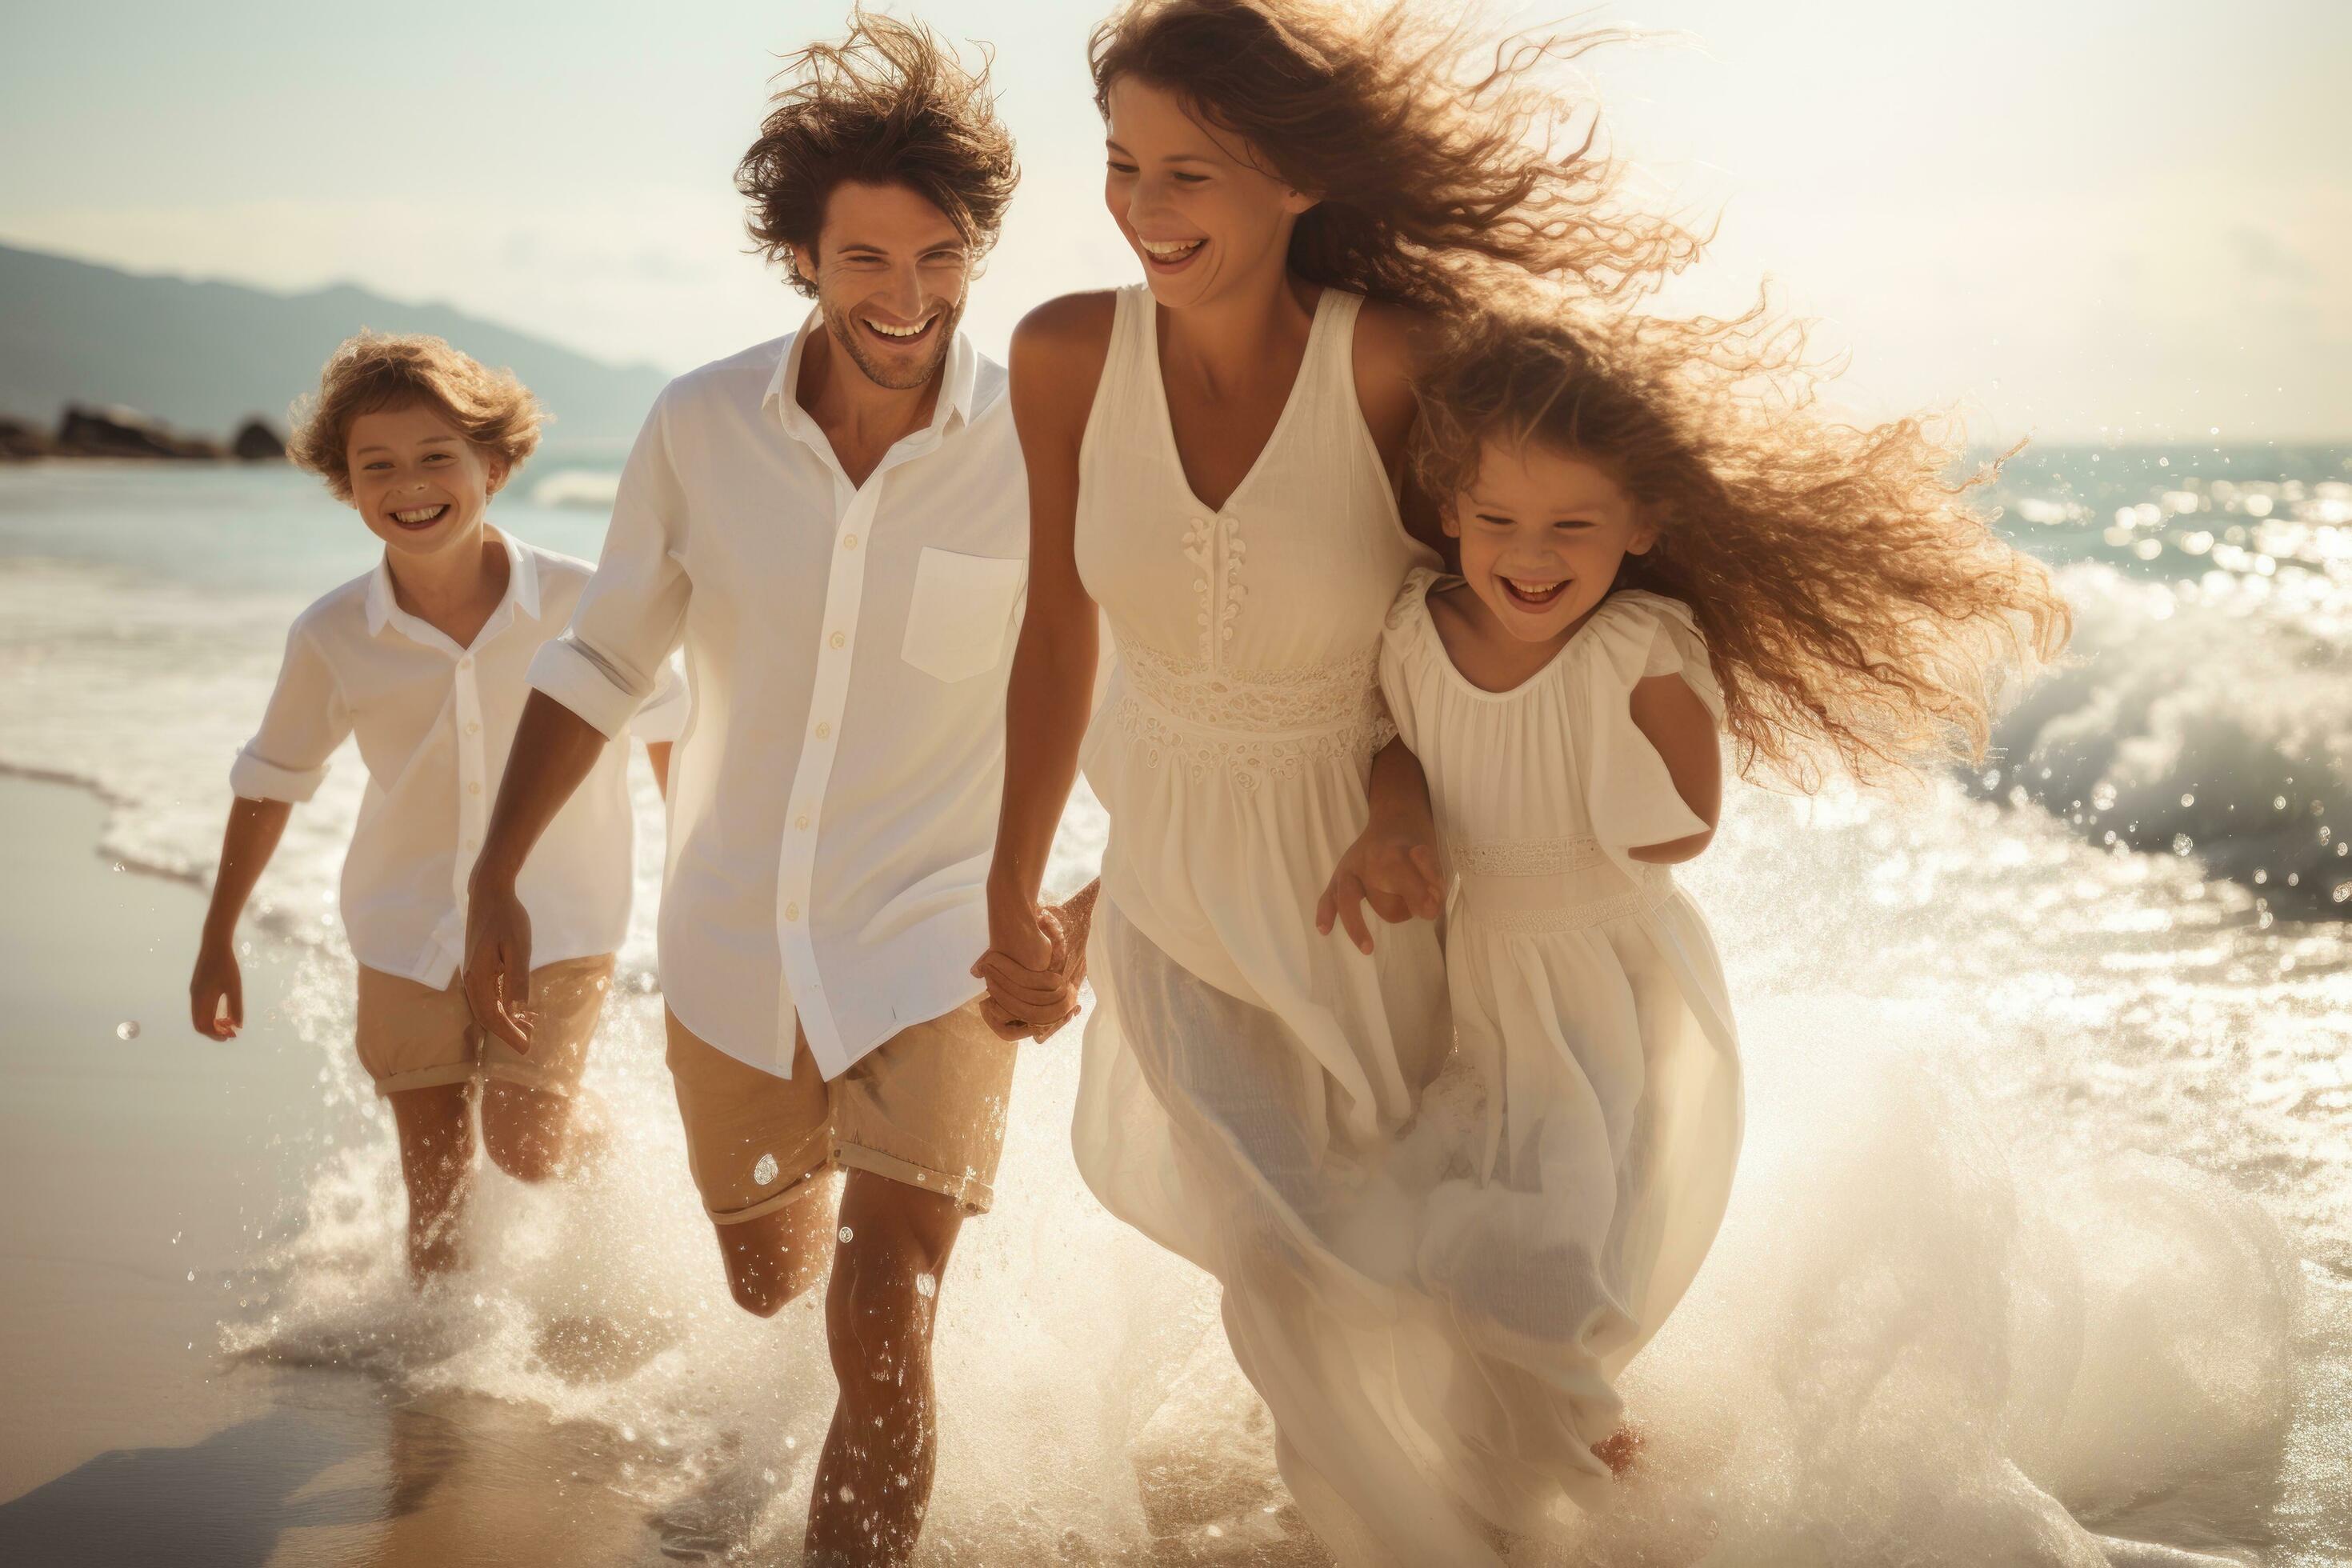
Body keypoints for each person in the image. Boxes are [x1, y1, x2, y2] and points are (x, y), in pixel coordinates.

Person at [973, 2, 1695, 1560]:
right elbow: (1052, 633)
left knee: (1440, 1265)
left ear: (1296, 179)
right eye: (1122, 168)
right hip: (1176, 891)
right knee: (1286, 1269)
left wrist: (1414, 806)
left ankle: (1570, 1497)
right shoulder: (1061, 356)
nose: (1146, 211)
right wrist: (1022, 887)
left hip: (1384, 893)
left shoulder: (1391, 364)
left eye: (1192, 174)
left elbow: (1472, 626)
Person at [459, 18, 1085, 1566]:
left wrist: (1072, 912)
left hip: (939, 933)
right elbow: (604, 660)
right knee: (773, 1286)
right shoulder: (696, 427)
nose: (908, 299)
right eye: (866, 259)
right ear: (800, 254)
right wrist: (494, 876)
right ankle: (818, 1365)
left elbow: (1106, 704)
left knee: (882, 1310)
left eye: (941, 257)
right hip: (735, 937)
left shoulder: (1044, 446)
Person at [1361, 295, 2070, 1538]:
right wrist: (1394, 825)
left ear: (1642, 523)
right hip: (1473, 975)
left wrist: (1613, 727)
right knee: (1461, 1247)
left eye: (1572, 527)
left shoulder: (1640, 641)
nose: (1531, 555)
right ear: (1449, 515)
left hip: (1609, 986)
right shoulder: (1416, 633)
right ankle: (1532, 1486)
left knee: (1560, 1259)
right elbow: (1395, 751)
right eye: (1498, 522)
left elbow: (1684, 822)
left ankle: (1621, 1505)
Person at [188, 331, 682, 1282]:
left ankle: (603, 1145)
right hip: (404, 923)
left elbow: (672, 727)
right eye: (378, 466)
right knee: (438, 1183)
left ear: (493, 465)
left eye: (435, 458)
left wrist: (703, 886)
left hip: (561, 920)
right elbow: (272, 778)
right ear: (347, 483)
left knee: (528, 1145)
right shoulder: (333, 635)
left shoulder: (585, 602)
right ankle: (433, 1376)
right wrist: (219, 937)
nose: (409, 485)